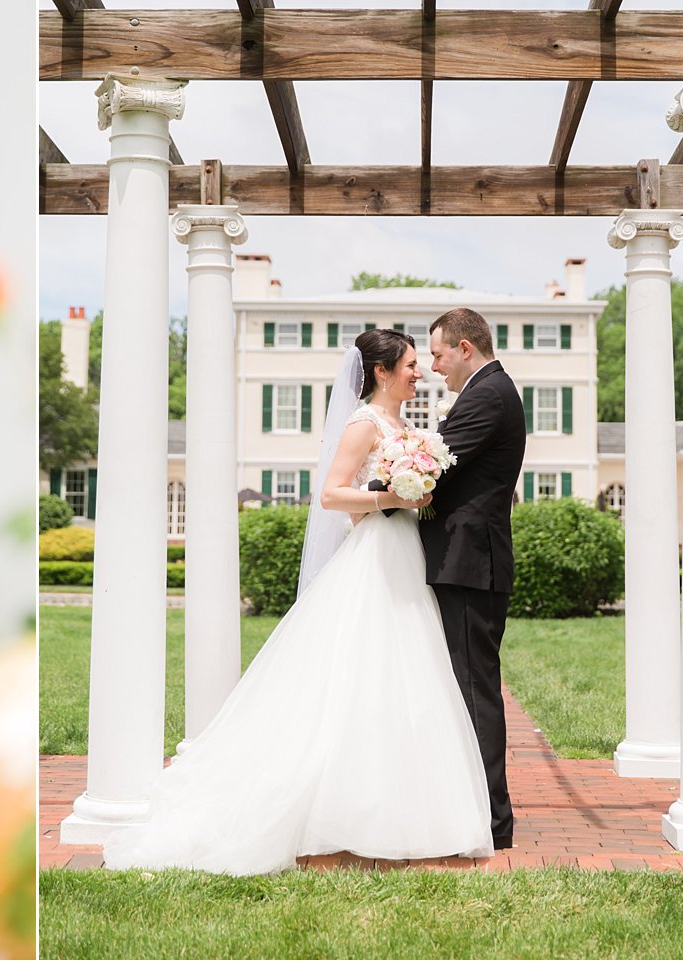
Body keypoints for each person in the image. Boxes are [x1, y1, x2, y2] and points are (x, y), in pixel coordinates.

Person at [103, 329, 492, 874]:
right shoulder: (364, 423)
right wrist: (392, 494)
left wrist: (415, 491)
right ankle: (330, 825)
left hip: (403, 554)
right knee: (359, 673)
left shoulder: (405, 428)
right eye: (408, 363)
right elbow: (332, 494)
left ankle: (398, 820)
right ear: (381, 372)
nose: (418, 372)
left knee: (401, 677)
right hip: (375, 555)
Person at [421, 308, 526, 851]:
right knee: (464, 688)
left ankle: (490, 820)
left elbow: (436, 462)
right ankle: (472, 809)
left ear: (465, 347)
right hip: (464, 561)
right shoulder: (488, 390)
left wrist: (372, 489)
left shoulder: (488, 394)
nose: (434, 366)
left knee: (474, 691)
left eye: (437, 354)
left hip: (469, 563)